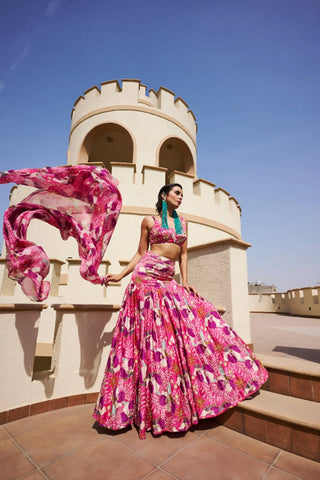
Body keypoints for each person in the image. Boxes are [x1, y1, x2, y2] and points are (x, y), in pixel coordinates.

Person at [93, 183, 268, 439]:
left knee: (199, 318)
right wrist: (120, 275)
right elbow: (141, 253)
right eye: (177, 193)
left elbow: (183, 255)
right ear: (164, 195)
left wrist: (185, 281)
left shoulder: (183, 223)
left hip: (167, 279)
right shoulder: (149, 221)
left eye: (183, 194)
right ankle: (153, 407)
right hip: (145, 279)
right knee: (151, 339)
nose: (181, 197)